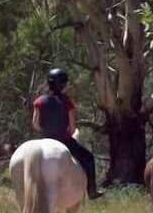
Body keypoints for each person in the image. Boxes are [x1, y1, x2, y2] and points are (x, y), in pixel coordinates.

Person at [32, 68, 104, 199]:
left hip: (44, 140)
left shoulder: (39, 101)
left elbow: (35, 124)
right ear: (63, 85)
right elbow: (72, 128)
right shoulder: (67, 101)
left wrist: (46, 132)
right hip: (63, 141)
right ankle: (92, 191)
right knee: (88, 158)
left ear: (49, 83)